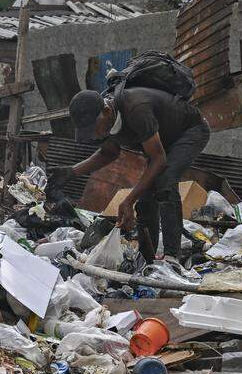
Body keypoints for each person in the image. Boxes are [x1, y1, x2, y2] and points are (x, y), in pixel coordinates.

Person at [49, 86, 210, 264]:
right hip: (161, 142)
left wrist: (128, 200)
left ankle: (172, 258)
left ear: (107, 111)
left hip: (190, 132)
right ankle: (147, 259)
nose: (94, 135)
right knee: (145, 202)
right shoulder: (107, 118)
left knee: (164, 182)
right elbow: (108, 152)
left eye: (94, 128)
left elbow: (159, 159)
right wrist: (71, 172)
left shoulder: (135, 109)